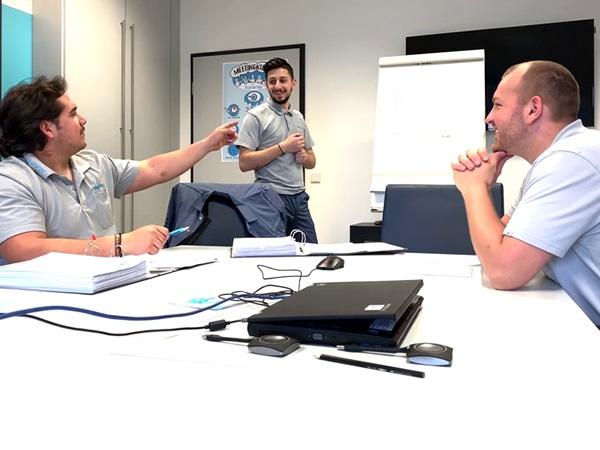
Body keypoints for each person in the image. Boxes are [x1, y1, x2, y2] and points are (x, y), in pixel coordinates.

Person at [0, 75, 237, 264]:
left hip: (107, 282)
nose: (83, 119)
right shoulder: (13, 179)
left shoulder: (92, 164)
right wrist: (118, 245)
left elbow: (154, 169)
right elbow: (22, 248)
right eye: (72, 114)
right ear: (48, 129)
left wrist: (207, 145)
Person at [451, 60, 600, 327]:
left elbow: (502, 271)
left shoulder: (571, 159)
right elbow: (500, 241)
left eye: (498, 105)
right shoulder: (555, 160)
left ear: (533, 109)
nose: (489, 118)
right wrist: (481, 186)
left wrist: (474, 187)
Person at [236, 57, 318, 243]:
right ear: (266, 85)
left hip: (299, 198)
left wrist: (304, 157)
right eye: (272, 81)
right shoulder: (255, 117)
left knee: (311, 251)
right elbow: (244, 162)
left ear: (293, 83)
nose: (278, 86)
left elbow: (312, 161)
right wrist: (283, 147)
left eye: (283, 80)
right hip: (269, 197)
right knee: (274, 253)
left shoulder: (298, 117)